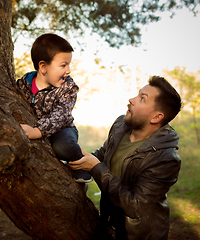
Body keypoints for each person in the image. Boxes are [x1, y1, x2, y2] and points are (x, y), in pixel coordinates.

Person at [69, 76, 182, 239]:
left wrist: (96, 168)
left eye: (142, 99)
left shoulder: (165, 159)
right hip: (109, 225)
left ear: (156, 117)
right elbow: (103, 154)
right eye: (138, 94)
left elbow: (135, 205)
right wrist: (75, 159)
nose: (131, 100)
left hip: (139, 235)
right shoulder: (121, 125)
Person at [17, 33, 92, 183]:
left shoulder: (68, 87)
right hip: (37, 126)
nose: (69, 70)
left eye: (69, 65)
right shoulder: (24, 84)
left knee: (64, 146)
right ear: (43, 67)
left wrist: (37, 131)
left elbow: (61, 115)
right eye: (63, 65)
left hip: (62, 129)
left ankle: (80, 164)